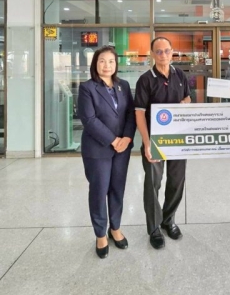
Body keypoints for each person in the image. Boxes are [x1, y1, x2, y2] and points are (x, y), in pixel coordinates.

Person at [78, 46, 136, 259]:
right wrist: (113, 140)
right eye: (102, 61)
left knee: (117, 189)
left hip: (123, 149)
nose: (107, 65)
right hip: (98, 149)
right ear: (95, 63)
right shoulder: (87, 88)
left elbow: (131, 113)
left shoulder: (123, 85)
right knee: (99, 190)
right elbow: (89, 119)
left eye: (111, 61)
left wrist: (127, 137)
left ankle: (116, 228)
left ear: (116, 64)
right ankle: (100, 233)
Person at [134, 36, 191, 249]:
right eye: (158, 51)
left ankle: (169, 220)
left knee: (176, 181)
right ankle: (154, 227)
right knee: (153, 184)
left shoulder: (180, 75)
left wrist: (185, 102)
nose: (163, 55)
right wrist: (147, 143)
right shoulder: (145, 80)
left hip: (178, 139)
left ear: (172, 51)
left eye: (166, 50)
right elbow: (139, 113)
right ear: (152, 54)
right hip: (155, 141)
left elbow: (188, 98)